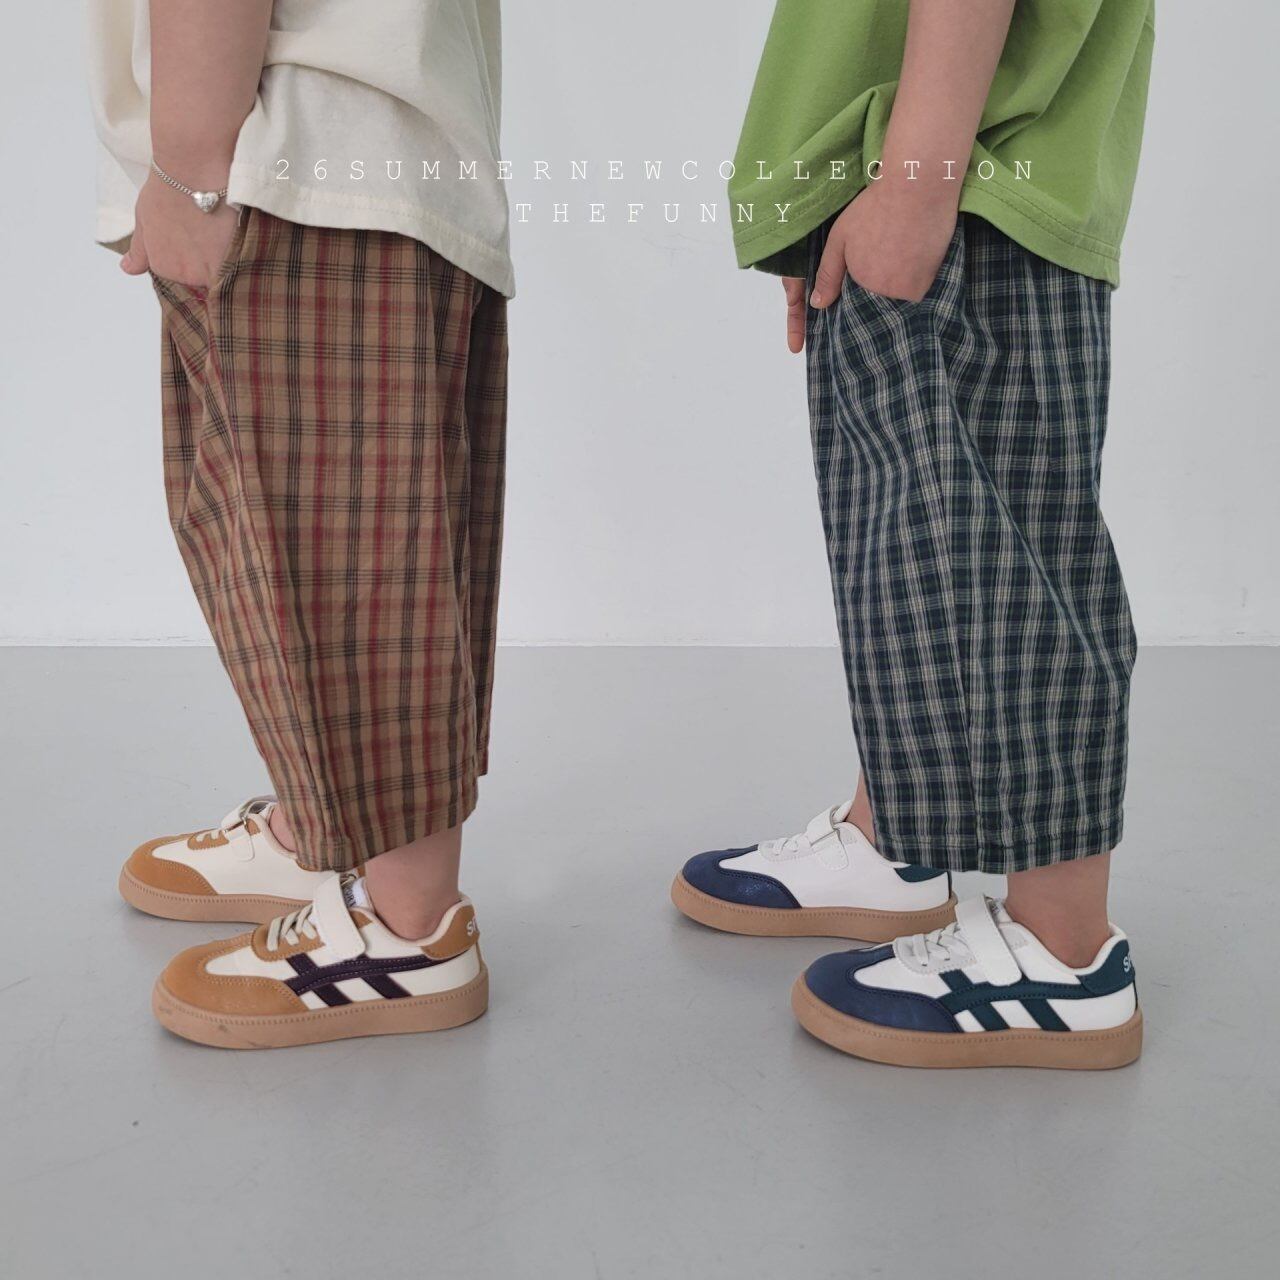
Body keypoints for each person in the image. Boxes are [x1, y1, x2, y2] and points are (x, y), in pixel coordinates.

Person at [672, 0, 1154, 1068]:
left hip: (967, 168)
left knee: (1005, 564)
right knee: (914, 554)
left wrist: (916, 179)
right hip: (925, 161)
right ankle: (893, 835)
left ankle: (1063, 949)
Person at [89, 0, 510, 1048]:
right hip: (357, 150)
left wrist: (191, 169)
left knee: (343, 563)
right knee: (351, 543)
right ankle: (324, 829)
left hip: (290, 157)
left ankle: (404, 928)